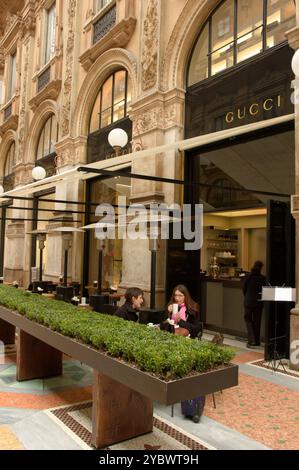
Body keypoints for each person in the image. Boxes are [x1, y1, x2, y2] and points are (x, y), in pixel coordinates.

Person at [242, 260, 266, 348]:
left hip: (248, 301)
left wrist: (247, 296)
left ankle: (251, 340)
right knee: (257, 321)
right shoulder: (263, 278)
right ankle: (257, 341)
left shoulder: (248, 276)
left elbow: (244, 288)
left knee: (248, 320)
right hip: (259, 302)